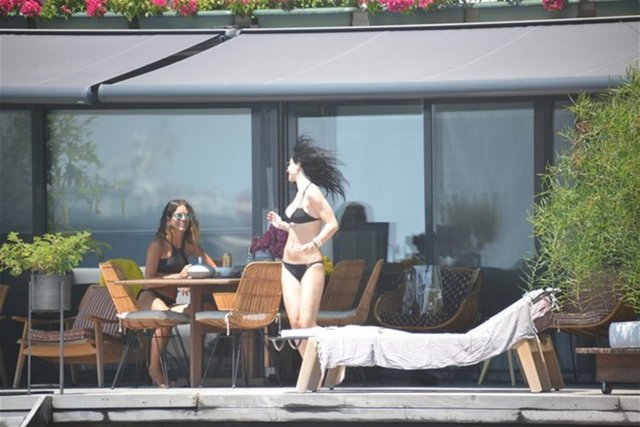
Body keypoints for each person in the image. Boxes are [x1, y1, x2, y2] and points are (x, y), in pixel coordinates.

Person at [267, 136, 346, 356]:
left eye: (289, 164)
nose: (287, 168)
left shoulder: (312, 192)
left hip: (310, 265)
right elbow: (300, 226)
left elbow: (332, 223)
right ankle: (312, 370)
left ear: (299, 164)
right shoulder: (298, 194)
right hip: (288, 265)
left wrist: (315, 243)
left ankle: (334, 354)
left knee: (307, 324)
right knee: (295, 323)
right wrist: (282, 225)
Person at [139, 198, 217, 388]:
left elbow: (211, 266)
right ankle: (154, 369)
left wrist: (195, 276)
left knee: (200, 313)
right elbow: (148, 279)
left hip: (171, 300)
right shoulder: (158, 245)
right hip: (150, 296)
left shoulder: (188, 245)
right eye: (179, 215)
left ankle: (195, 369)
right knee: (164, 318)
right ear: (168, 220)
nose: (184, 219)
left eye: (187, 215)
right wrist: (178, 277)